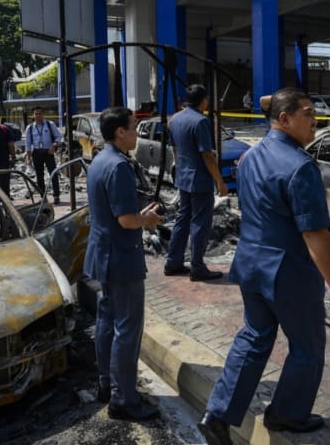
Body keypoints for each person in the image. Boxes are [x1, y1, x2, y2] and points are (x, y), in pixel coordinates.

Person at [197, 88, 330, 445]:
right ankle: (286, 414)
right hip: (289, 274)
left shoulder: (250, 159)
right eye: (308, 113)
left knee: (254, 337)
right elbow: (315, 234)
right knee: (307, 347)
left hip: (250, 264)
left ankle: (217, 415)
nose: (316, 121)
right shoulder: (300, 167)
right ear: (286, 120)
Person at [84, 106, 165, 421]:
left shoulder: (100, 160)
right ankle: (124, 399)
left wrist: (139, 215)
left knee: (108, 321)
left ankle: (108, 383)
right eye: (134, 128)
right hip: (120, 258)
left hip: (103, 254)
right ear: (120, 131)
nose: (136, 133)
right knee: (127, 329)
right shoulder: (118, 166)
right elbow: (127, 220)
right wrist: (147, 219)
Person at [163, 84, 228, 281]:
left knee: (182, 219)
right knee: (200, 222)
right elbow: (207, 155)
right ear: (203, 101)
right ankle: (197, 267)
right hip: (199, 180)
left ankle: (173, 262)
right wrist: (220, 182)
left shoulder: (175, 119)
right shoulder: (201, 122)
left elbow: (174, 150)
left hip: (183, 177)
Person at [24, 106, 62, 204]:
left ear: (43, 114)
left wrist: (54, 145)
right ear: (33, 115)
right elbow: (28, 143)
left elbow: (58, 137)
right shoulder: (30, 128)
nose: (38, 116)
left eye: (40, 113)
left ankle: (56, 195)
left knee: (53, 174)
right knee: (39, 176)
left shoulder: (50, 124)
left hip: (48, 152)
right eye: (36, 114)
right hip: (36, 153)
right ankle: (43, 196)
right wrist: (28, 158)